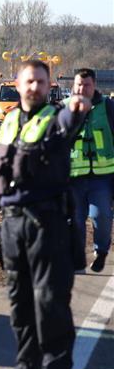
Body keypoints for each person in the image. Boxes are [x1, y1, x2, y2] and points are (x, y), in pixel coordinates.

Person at [0, 59, 91, 369]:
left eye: (41, 82)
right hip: (12, 223)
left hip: (47, 224)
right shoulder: (9, 122)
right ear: (17, 85)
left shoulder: (57, 118)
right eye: (29, 81)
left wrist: (78, 108)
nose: (34, 87)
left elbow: (71, 119)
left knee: (50, 301)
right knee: (19, 300)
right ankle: (26, 366)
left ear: (49, 87)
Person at [68, 68, 114, 272]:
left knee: (101, 215)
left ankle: (101, 251)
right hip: (73, 178)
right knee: (75, 221)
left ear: (94, 85)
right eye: (79, 84)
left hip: (102, 178)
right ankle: (78, 260)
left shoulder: (108, 107)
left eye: (86, 85)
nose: (82, 88)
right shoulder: (64, 108)